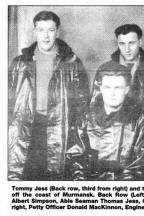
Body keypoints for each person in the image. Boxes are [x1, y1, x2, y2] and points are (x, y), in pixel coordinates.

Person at [8, 11, 90, 180]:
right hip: (27, 131)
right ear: (34, 31)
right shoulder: (20, 63)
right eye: (41, 30)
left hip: (60, 131)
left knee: (54, 180)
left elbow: (83, 106)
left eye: (50, 30)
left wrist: (75, 138)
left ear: (57, 32)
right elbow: (7, 102)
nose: (46, 36)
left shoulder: (72, 63)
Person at [68, 62, 144, 181]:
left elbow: (141, 166)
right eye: (107, 87)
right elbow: (76, 161)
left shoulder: (140, 120)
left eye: (118, 87)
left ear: (126, 89)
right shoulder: (86, 118)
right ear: (100, 88)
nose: (112, 93)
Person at [92, 24, 144, 119]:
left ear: (140, 42)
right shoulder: (104, 70)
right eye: (122, 44)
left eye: (131, 43)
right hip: (113, 127)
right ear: (117, 44)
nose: (127, 49)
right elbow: (95, 104)